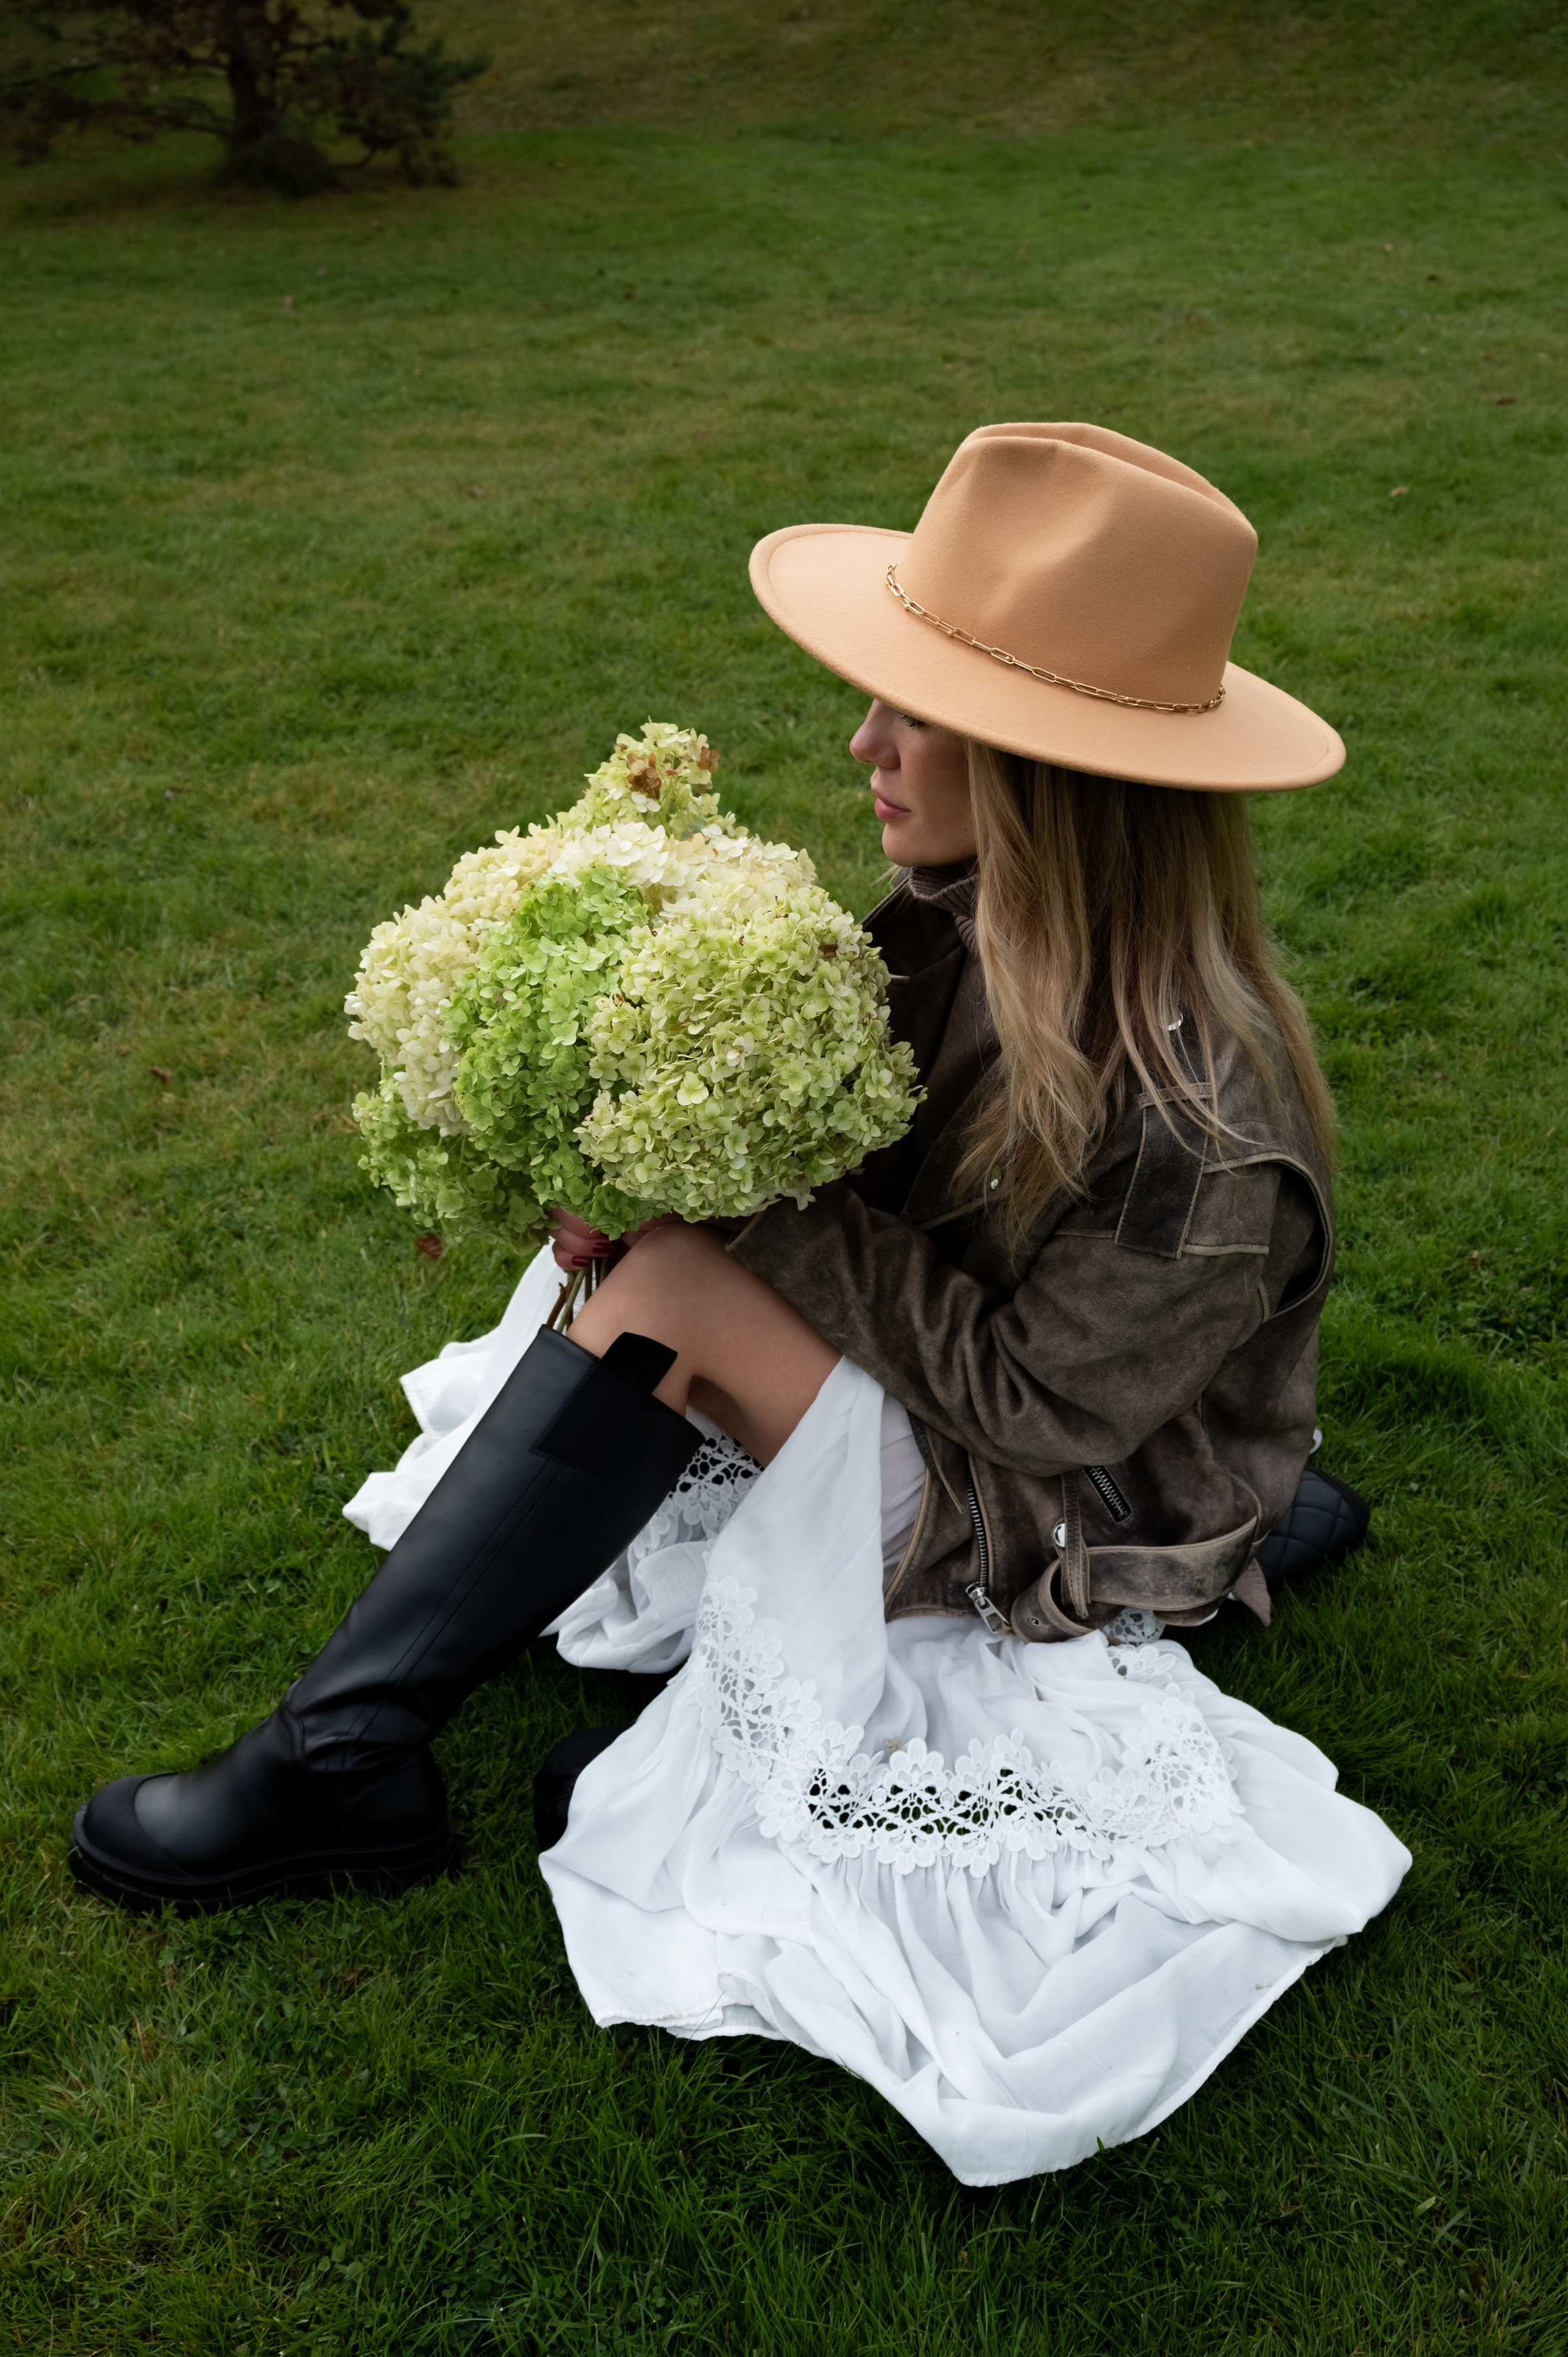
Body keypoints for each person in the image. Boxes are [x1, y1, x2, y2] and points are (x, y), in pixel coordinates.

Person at [72, 424, 1408, 2185]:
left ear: (1051, 777)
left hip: (1063, 1490)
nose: (864, 743)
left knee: (677, 1281)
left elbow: (1041, 1408)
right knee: (656, 1263)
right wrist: (648, 1125)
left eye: (916, 713)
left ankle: (340, 1760)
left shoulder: (1200, 1113)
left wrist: (739, 1216)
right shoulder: (962, 918)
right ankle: (374, 1735)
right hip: (974, 1406)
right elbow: (856, 1184)